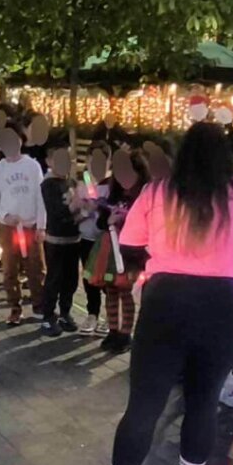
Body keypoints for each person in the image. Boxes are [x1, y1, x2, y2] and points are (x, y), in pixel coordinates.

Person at [95, 122, 233, 465]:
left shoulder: (157, 192)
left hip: (166, 301)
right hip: (224, 305)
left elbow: (131, 243)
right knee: (204, 402)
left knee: (144, 404)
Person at [0, 125, 47, 326]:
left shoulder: (32, 166)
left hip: (30, 225)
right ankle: (15, 307)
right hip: (8, 228)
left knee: (36, 267)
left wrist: (41, 226)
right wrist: (5, 215)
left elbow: (40, 197)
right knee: (10, 269)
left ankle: (39, 305)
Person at [97, 148, 150, 355]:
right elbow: (101, 221)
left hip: (131, 254)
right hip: (110, 249)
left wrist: (127, 220)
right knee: (110, 290)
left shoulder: (144, 196)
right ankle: (112, 330)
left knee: (126, 292)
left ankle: (125, 333)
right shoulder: (114, 195)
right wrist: (109, 220)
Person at [39, 144, 82, 337]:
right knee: (54, 278)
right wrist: (76, 207)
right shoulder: (48, 185)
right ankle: (48, 316)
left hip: (74, 239)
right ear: (49, 161)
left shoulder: (72, 182)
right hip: (56, 240)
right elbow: (56, 211)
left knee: (71, 280)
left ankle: (65, 313)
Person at [76, 142, 111, 337]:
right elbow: (74, 213)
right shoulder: (82, 182)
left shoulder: (112, 184)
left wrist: (100, 209)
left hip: (105, 240)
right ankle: (92, 314)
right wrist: (84, 211)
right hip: (86, 238)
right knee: (89, 277)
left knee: (107, 279)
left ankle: (110, 315)